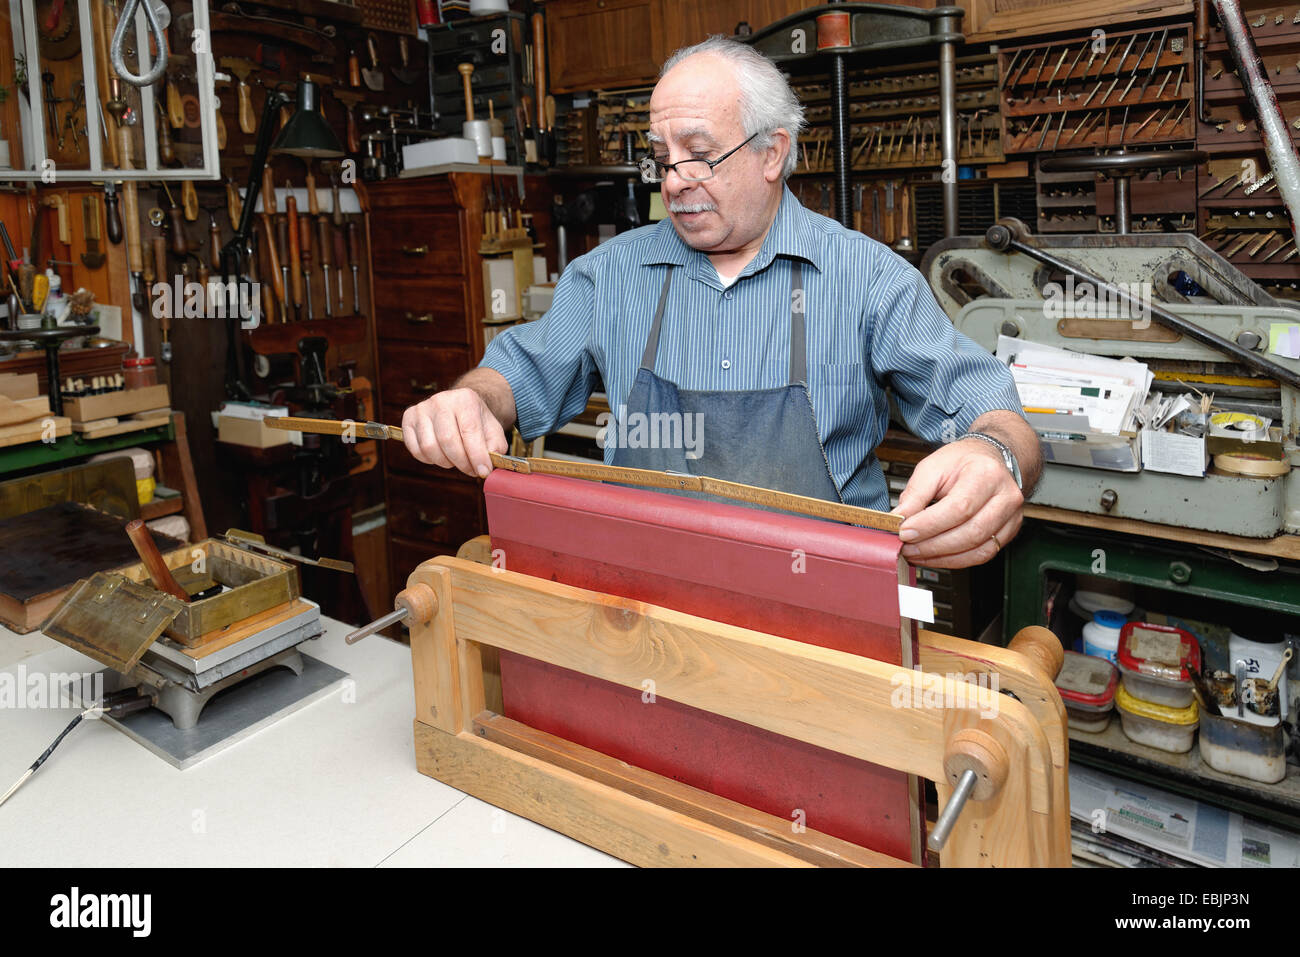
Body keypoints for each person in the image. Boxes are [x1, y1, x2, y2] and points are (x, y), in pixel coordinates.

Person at [402, 35, 1042, 570]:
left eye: (701, 155)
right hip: (649, 600)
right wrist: (470, 400)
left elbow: (994, 411)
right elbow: (515, 373)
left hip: (827, 600)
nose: (675, 180)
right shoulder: (610, 276)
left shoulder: (867, 276)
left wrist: (997, 457)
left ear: (773, 153)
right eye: (662, 159)